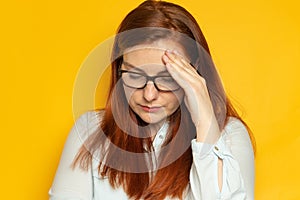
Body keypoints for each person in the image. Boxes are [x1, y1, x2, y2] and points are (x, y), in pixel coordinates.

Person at [49, 0, 255, 199]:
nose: (149, 95)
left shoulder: (228, 135)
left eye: (166, 78)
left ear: (193, 72)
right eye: (135, 76)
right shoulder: (89, 130)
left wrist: (204, 120)